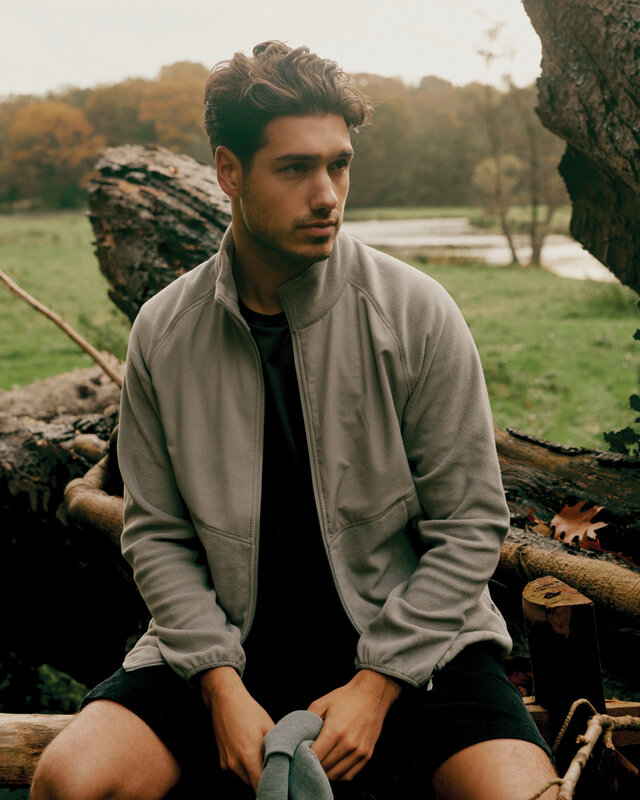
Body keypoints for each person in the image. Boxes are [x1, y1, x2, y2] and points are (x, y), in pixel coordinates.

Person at [31, 41, 558, 800]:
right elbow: (157, 535)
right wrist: (218, 685)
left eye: (338, 165)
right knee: (70, 782)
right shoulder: (164, 332)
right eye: (295, 168)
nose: (327, 195)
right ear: (228, 171)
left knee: (525, 796)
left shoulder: (416, 313)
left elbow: (470, 525)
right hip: (223, 645)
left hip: (415, 643)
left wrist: (378, 684)